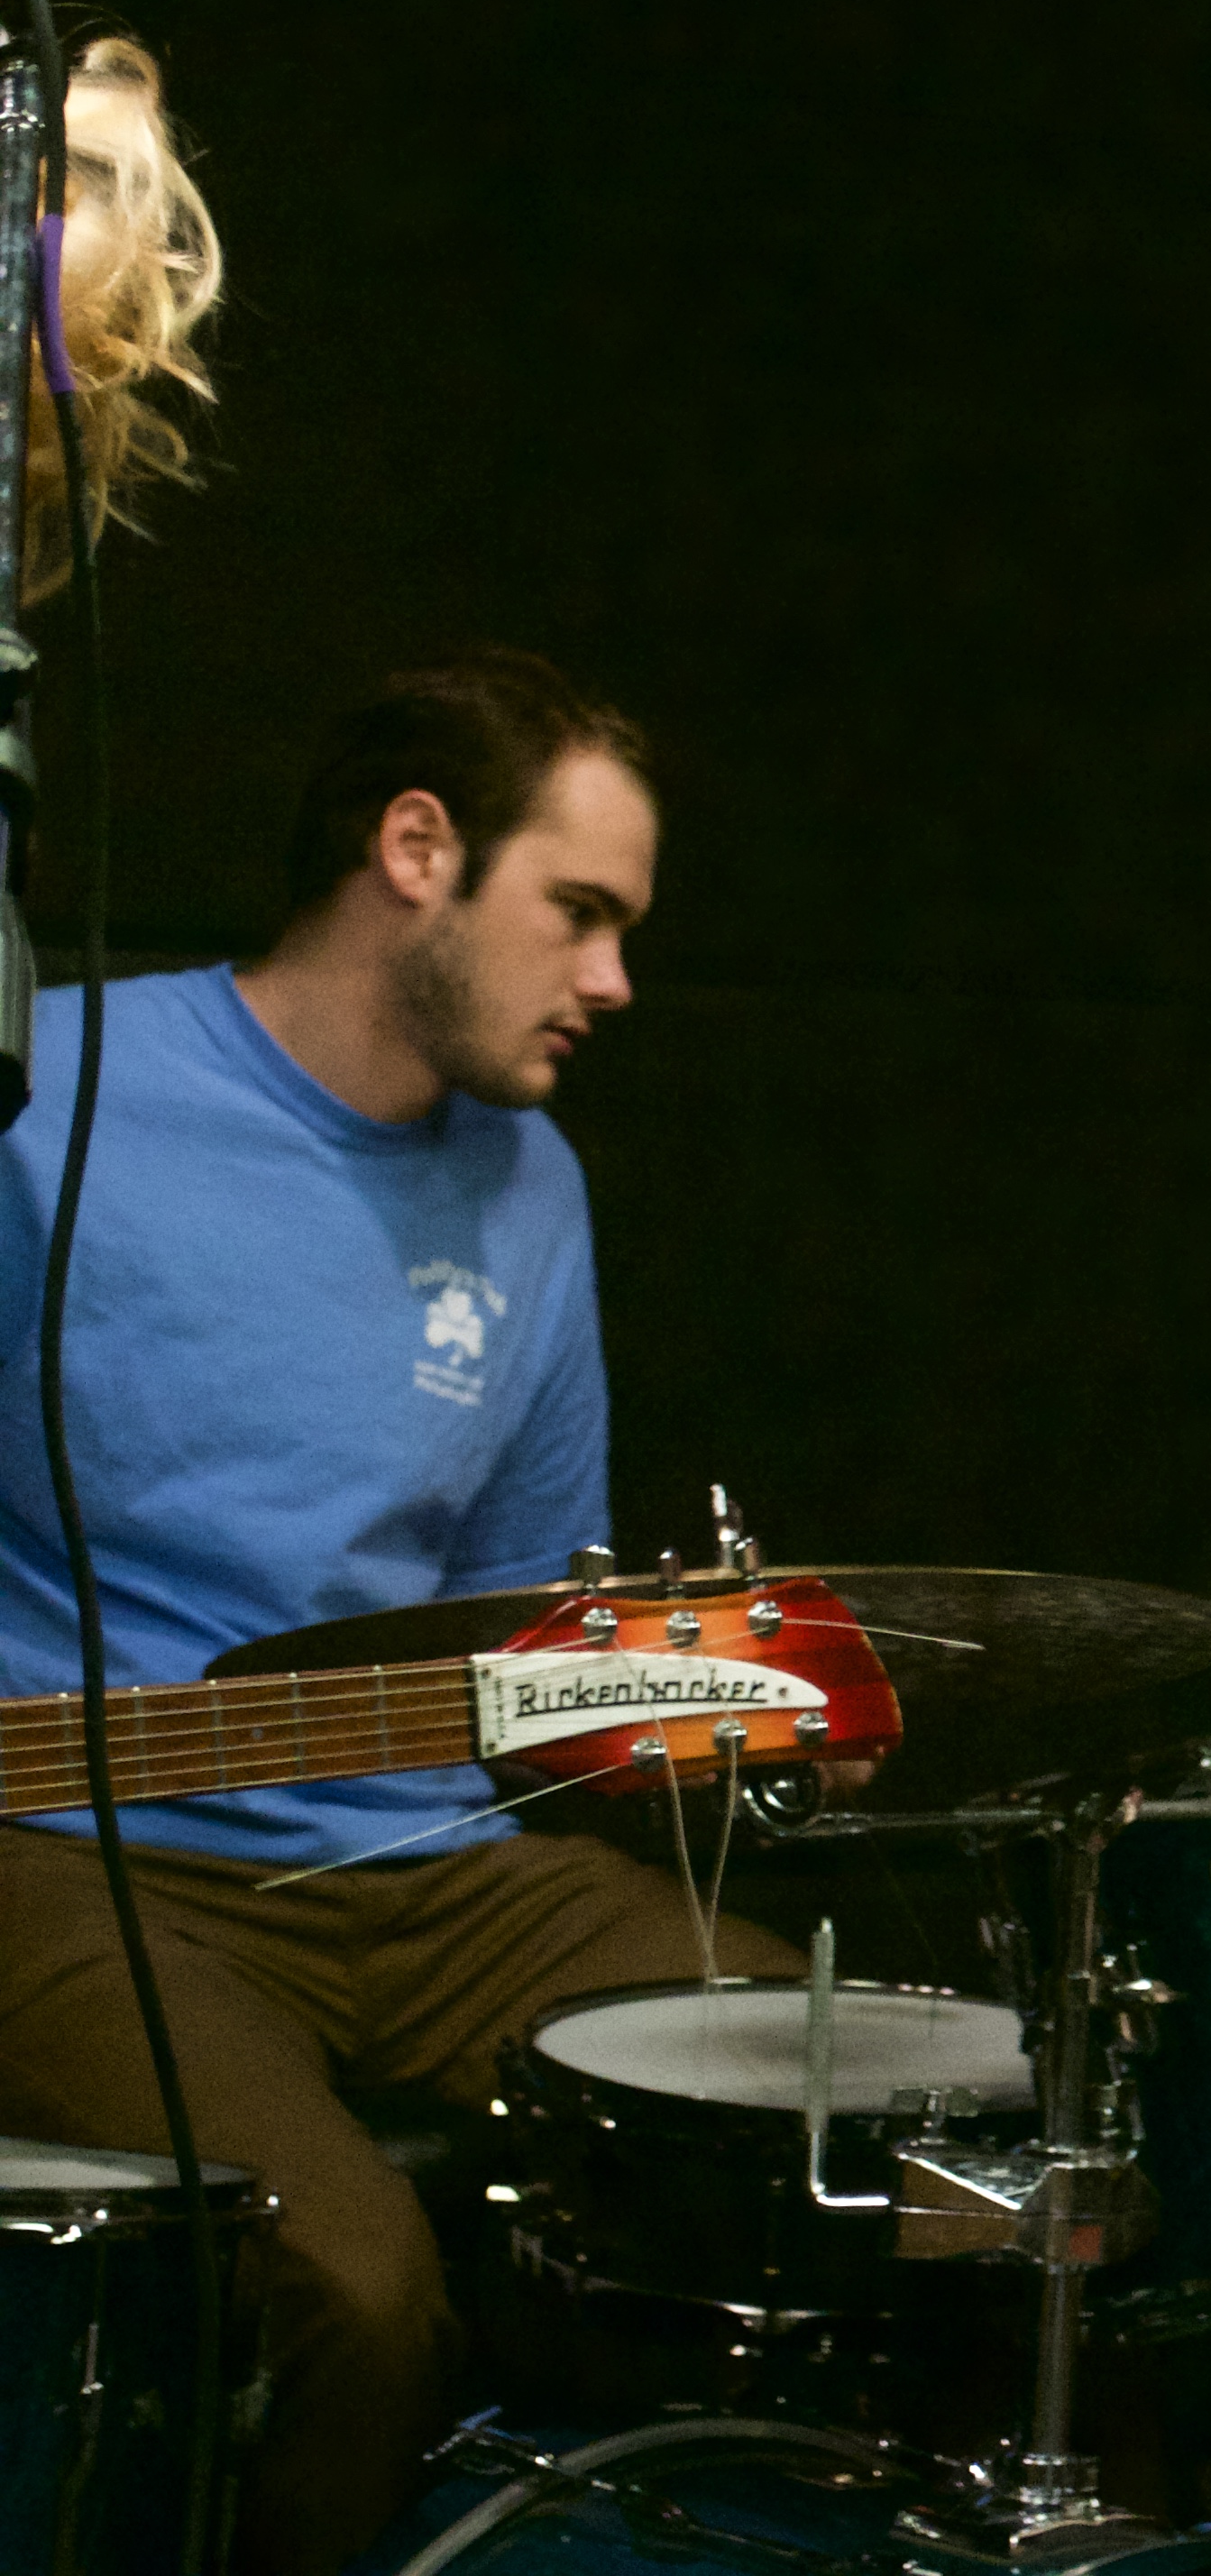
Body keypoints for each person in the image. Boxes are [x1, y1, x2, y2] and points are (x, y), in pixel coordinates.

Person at [0, 647, 799, 2576]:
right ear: (417, 850)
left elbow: (511, 1632)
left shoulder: (532, 1184)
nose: (614, 979)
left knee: (859, 2101)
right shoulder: (50, 1097)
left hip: (422, 1867)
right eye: (580, 912)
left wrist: (703, 1711)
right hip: (76, 1850)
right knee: (352, 2287)